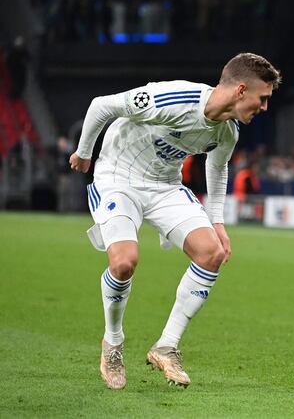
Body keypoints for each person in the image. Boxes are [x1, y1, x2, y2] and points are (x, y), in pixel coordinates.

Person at [69, 53, 281, 390]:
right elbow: (101, 105)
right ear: (241, 90)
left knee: (211, 253)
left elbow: (217, 166)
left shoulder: (227, 131)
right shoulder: (172, 99)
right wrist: (84, 152)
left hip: (164, 186)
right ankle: (113, 343)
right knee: (124, 263)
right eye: (263, 98)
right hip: (119, 177)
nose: (265, 107)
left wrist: (217, 222)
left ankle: (166, 346)